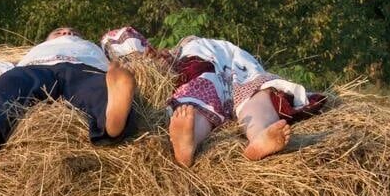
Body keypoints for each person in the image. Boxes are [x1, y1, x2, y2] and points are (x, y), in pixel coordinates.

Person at [103, 30, 327, 166]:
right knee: (198, 103)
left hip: (236, 71)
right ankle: (187, 142)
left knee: (255, 96)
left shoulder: (183, 51)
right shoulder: (179, 63)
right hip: (214, 74)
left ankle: (259, 138)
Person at [0, 27, 136, 156]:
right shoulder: (36, 50)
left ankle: (112, 119)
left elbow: (128, 45)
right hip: (38, 67)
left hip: (83, 69)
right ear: (46, 40)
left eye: (72, 32)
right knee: (10, 83)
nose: (66, 33)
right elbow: (1, 68)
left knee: (96, 88)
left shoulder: (92, 46)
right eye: (59, 32)